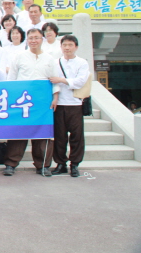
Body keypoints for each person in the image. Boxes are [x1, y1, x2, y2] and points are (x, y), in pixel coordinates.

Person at [4, 28, 60, 177]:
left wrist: (55, 97)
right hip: (22, 101)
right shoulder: (19, 57)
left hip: (43, 101)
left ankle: (43, 165)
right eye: (31, 38)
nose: (33, 41)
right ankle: (11, 164)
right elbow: (11, 79)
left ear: (42, 39)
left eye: (36, 38)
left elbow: (55, 80)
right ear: (27, 40)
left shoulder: (49, 59)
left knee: (43, 133)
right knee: (18, 132)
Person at [49, 35, 90, 177]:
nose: (67, 48)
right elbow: (51, 81)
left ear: (76, 47)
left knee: (76, 136)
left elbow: (80, 81)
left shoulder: (82, 63)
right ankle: (60, 164)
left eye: (70, 45)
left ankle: (75, 164)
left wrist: (62, 80)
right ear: (61, 47)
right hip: (59, 103)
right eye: (64, 45)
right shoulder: (55, 62)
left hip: (75, 103)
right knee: (59, 136)